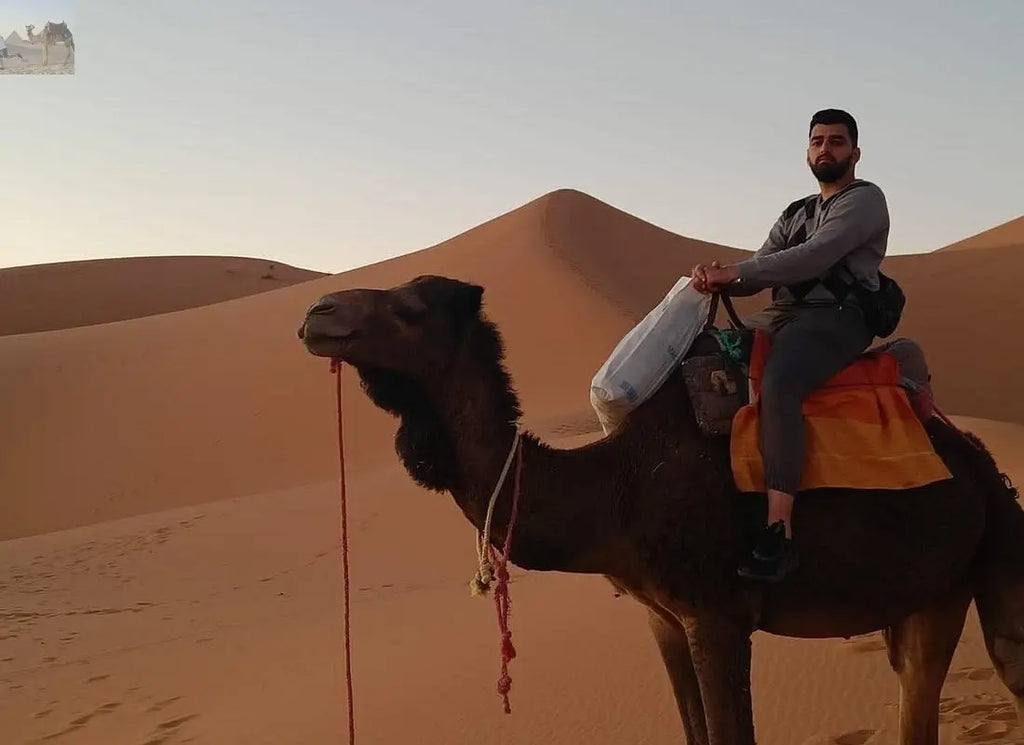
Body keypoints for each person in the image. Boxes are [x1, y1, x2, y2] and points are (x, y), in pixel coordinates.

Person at [691, 108, 890, 583]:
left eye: (836, 141)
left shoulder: (864, 201)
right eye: (818, 141)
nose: (826, 149)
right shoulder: (795, 212)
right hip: (783, 315)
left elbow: (813, 256)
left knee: (779, 381)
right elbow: (766, 265)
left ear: (855, 153)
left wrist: (738, 273)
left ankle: (779, 530)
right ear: (807, 151)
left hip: (837, 318)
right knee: (702, 353)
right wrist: (715, 280)